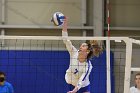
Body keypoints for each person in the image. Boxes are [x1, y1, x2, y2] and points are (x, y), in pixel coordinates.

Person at [62, 17, 102, 93]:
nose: (80, 46)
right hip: (70, 82)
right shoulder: (73, 52)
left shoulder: (88, 66)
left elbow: (82, 80)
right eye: (81, 45)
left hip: (83, 86)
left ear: (87, 51)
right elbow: (66, 40)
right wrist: (65, 25)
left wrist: (75, 91)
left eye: (83, 46)